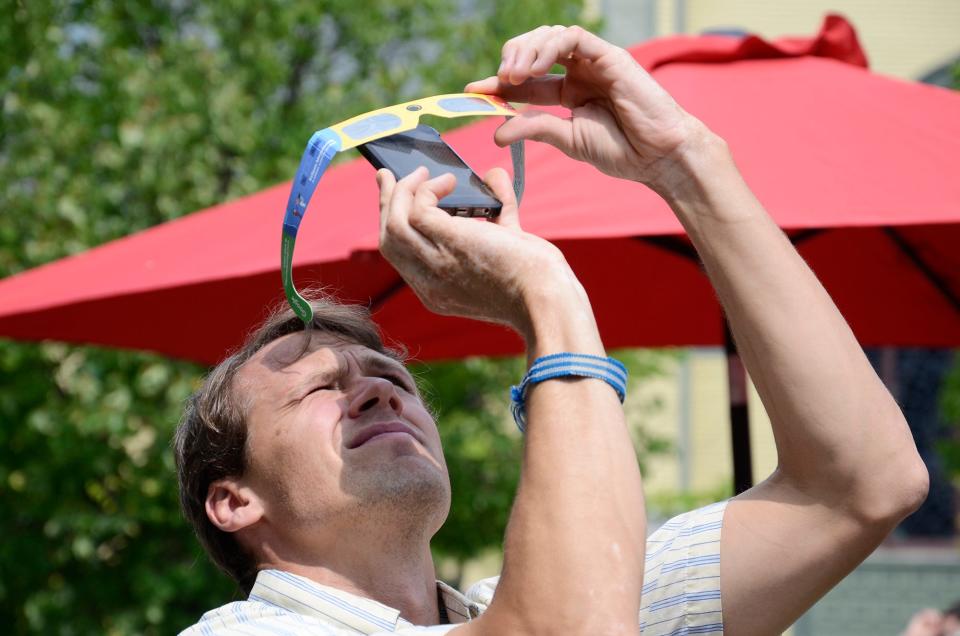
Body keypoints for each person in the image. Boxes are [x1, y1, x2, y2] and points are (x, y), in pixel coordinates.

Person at [175, 25, 929, 635]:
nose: (376, 390)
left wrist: (686, 165)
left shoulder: (574, 587)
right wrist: (546, 294)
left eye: (392, 378)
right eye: (321, 387)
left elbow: (860, 485)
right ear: (234, 500)